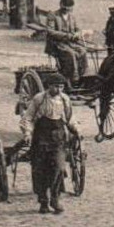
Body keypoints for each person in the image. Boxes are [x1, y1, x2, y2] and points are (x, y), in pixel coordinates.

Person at [26, 78, 74, 214]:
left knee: (58, 167)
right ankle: (43, 201)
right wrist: (28, 133)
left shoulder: (65, 99)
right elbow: (28, 118)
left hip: (58, 138)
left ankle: (55, 198)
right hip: (41, 137)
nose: (58, 90)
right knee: (40, 169)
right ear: (48, 86)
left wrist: (76, 129)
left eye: (61, 87)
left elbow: (70, 118)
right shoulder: (39, 99)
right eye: (55, 86)